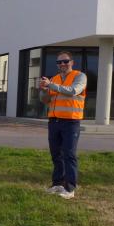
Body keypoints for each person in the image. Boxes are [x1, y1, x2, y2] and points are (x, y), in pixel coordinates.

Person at [39, 51, 87, 199]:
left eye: (65, 61)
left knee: (69, 154)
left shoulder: (80, 76)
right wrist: (44, 90)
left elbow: (73, 91)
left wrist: (51, 85)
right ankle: (57, 184)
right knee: (56, 155)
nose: (62, 64)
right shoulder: (54, 79)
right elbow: (45, 100)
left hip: (71, 122)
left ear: (72, 62)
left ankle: (70, 188)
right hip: (54, 121)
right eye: (59, 62)